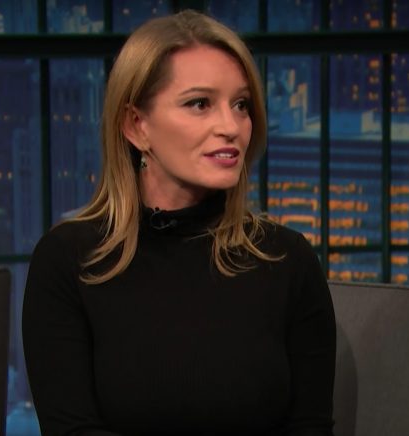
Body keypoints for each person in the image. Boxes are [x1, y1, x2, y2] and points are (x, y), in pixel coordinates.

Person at [22, 9, 336, 436]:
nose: (231, 126)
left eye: (241, 104)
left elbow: (310, 427)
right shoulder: (70, 261)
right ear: (136, 125)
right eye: (199, 104)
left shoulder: (287, 260)